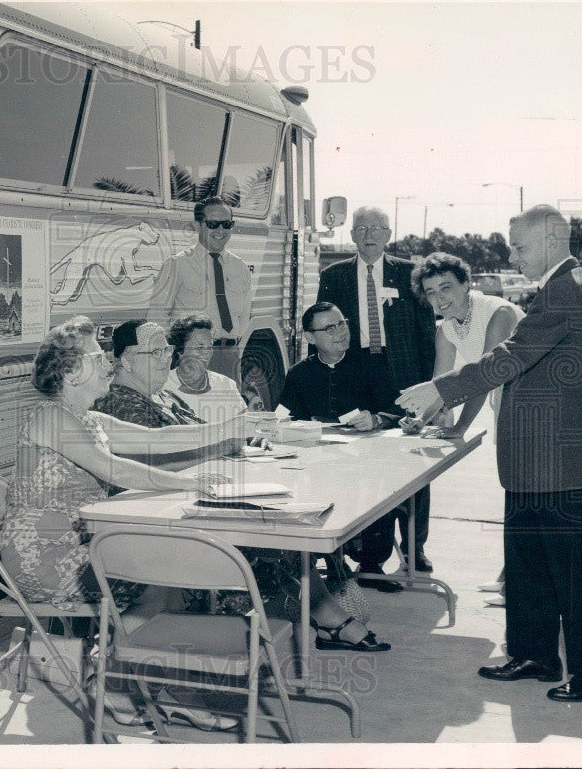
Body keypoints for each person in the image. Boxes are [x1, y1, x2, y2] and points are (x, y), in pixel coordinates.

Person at [398, 206, 582, 702]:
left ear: (553, 241)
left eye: (520, 247)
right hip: (536, 459)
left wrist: (441, 390)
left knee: (573, 574)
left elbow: (509, 356)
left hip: (555, 460)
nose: (512, 255)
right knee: (529, 564)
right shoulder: (559, 288)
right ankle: (534, 654)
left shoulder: (566, 291)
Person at [0, 315, 241, 730]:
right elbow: (115, 470)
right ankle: (119, 680)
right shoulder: (50, 416)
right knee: (158, 575)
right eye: (96, 356)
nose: (107, 362)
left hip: (84, 544)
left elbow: (158, 439)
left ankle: (143, 680)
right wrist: (189, 484)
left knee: (167, 572)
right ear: (72, 371)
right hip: (47, 557)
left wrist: (232, 426)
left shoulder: (90, 419)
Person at [96, 320, 390, 652]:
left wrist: (241, 440)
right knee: (273, 537)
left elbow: (203, 436)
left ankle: (323, 615)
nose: (167, 359)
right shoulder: (120, 403)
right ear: (127, 359)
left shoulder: (159, 395)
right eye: (157, 351)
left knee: (285, 521)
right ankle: (314, 619)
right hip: (161, 520)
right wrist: (225, 445)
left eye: (168, 349)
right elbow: (150, 466)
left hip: (190, 501)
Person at [317, 206, 437, 574]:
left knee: (414, 458)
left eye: (377, 228)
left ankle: (414, 547)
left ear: (388, 234)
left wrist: (430, 381)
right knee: (366, 460)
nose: (369, 234)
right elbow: (320, 329)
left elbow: (427, 331)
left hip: (403, 371)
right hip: (358, 372)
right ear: (352, 235)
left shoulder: (408, 273)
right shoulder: (334, 275)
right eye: (362, 228)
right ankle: (371, 553)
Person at [405, 252, 524, 606]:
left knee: (523, 488)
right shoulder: (446, 329)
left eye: (447, 288)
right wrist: (420, 419)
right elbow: (441, 383)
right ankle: (511, 577)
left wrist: (459, 427)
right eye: (430, 293)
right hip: (506, 398)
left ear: (466, 284)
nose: (440, 299)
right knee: (514, 487)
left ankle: (516, 581)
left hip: (534, 400)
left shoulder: (498, 313)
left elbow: (486, 376)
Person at [277, 302, 406, 593]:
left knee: (381, 491)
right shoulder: (298, 374)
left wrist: (376, 419)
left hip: (368, 456)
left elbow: (397, 408)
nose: (339, 333)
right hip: (317, 459)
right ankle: (332, 561)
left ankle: (372, 566)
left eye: (342, 324)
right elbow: (284, 418)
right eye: (329, 328)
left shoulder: (372, 364)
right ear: (310, 337)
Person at [148, 196, 253, 381]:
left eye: (227, 224)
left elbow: (244, 317)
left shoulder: (240, 267)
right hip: (190, 358)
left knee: (229, 407)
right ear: (198, 226)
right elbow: (157, 318)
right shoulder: (177, 265)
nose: (221, 230)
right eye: (213, 224)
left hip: (229, 356)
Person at [164, 314, 247, 424]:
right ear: (180, 349)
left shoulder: (226, 385)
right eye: (200, 347)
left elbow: (245, 427)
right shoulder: (163, 387)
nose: (206, 353)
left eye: (209, 347)